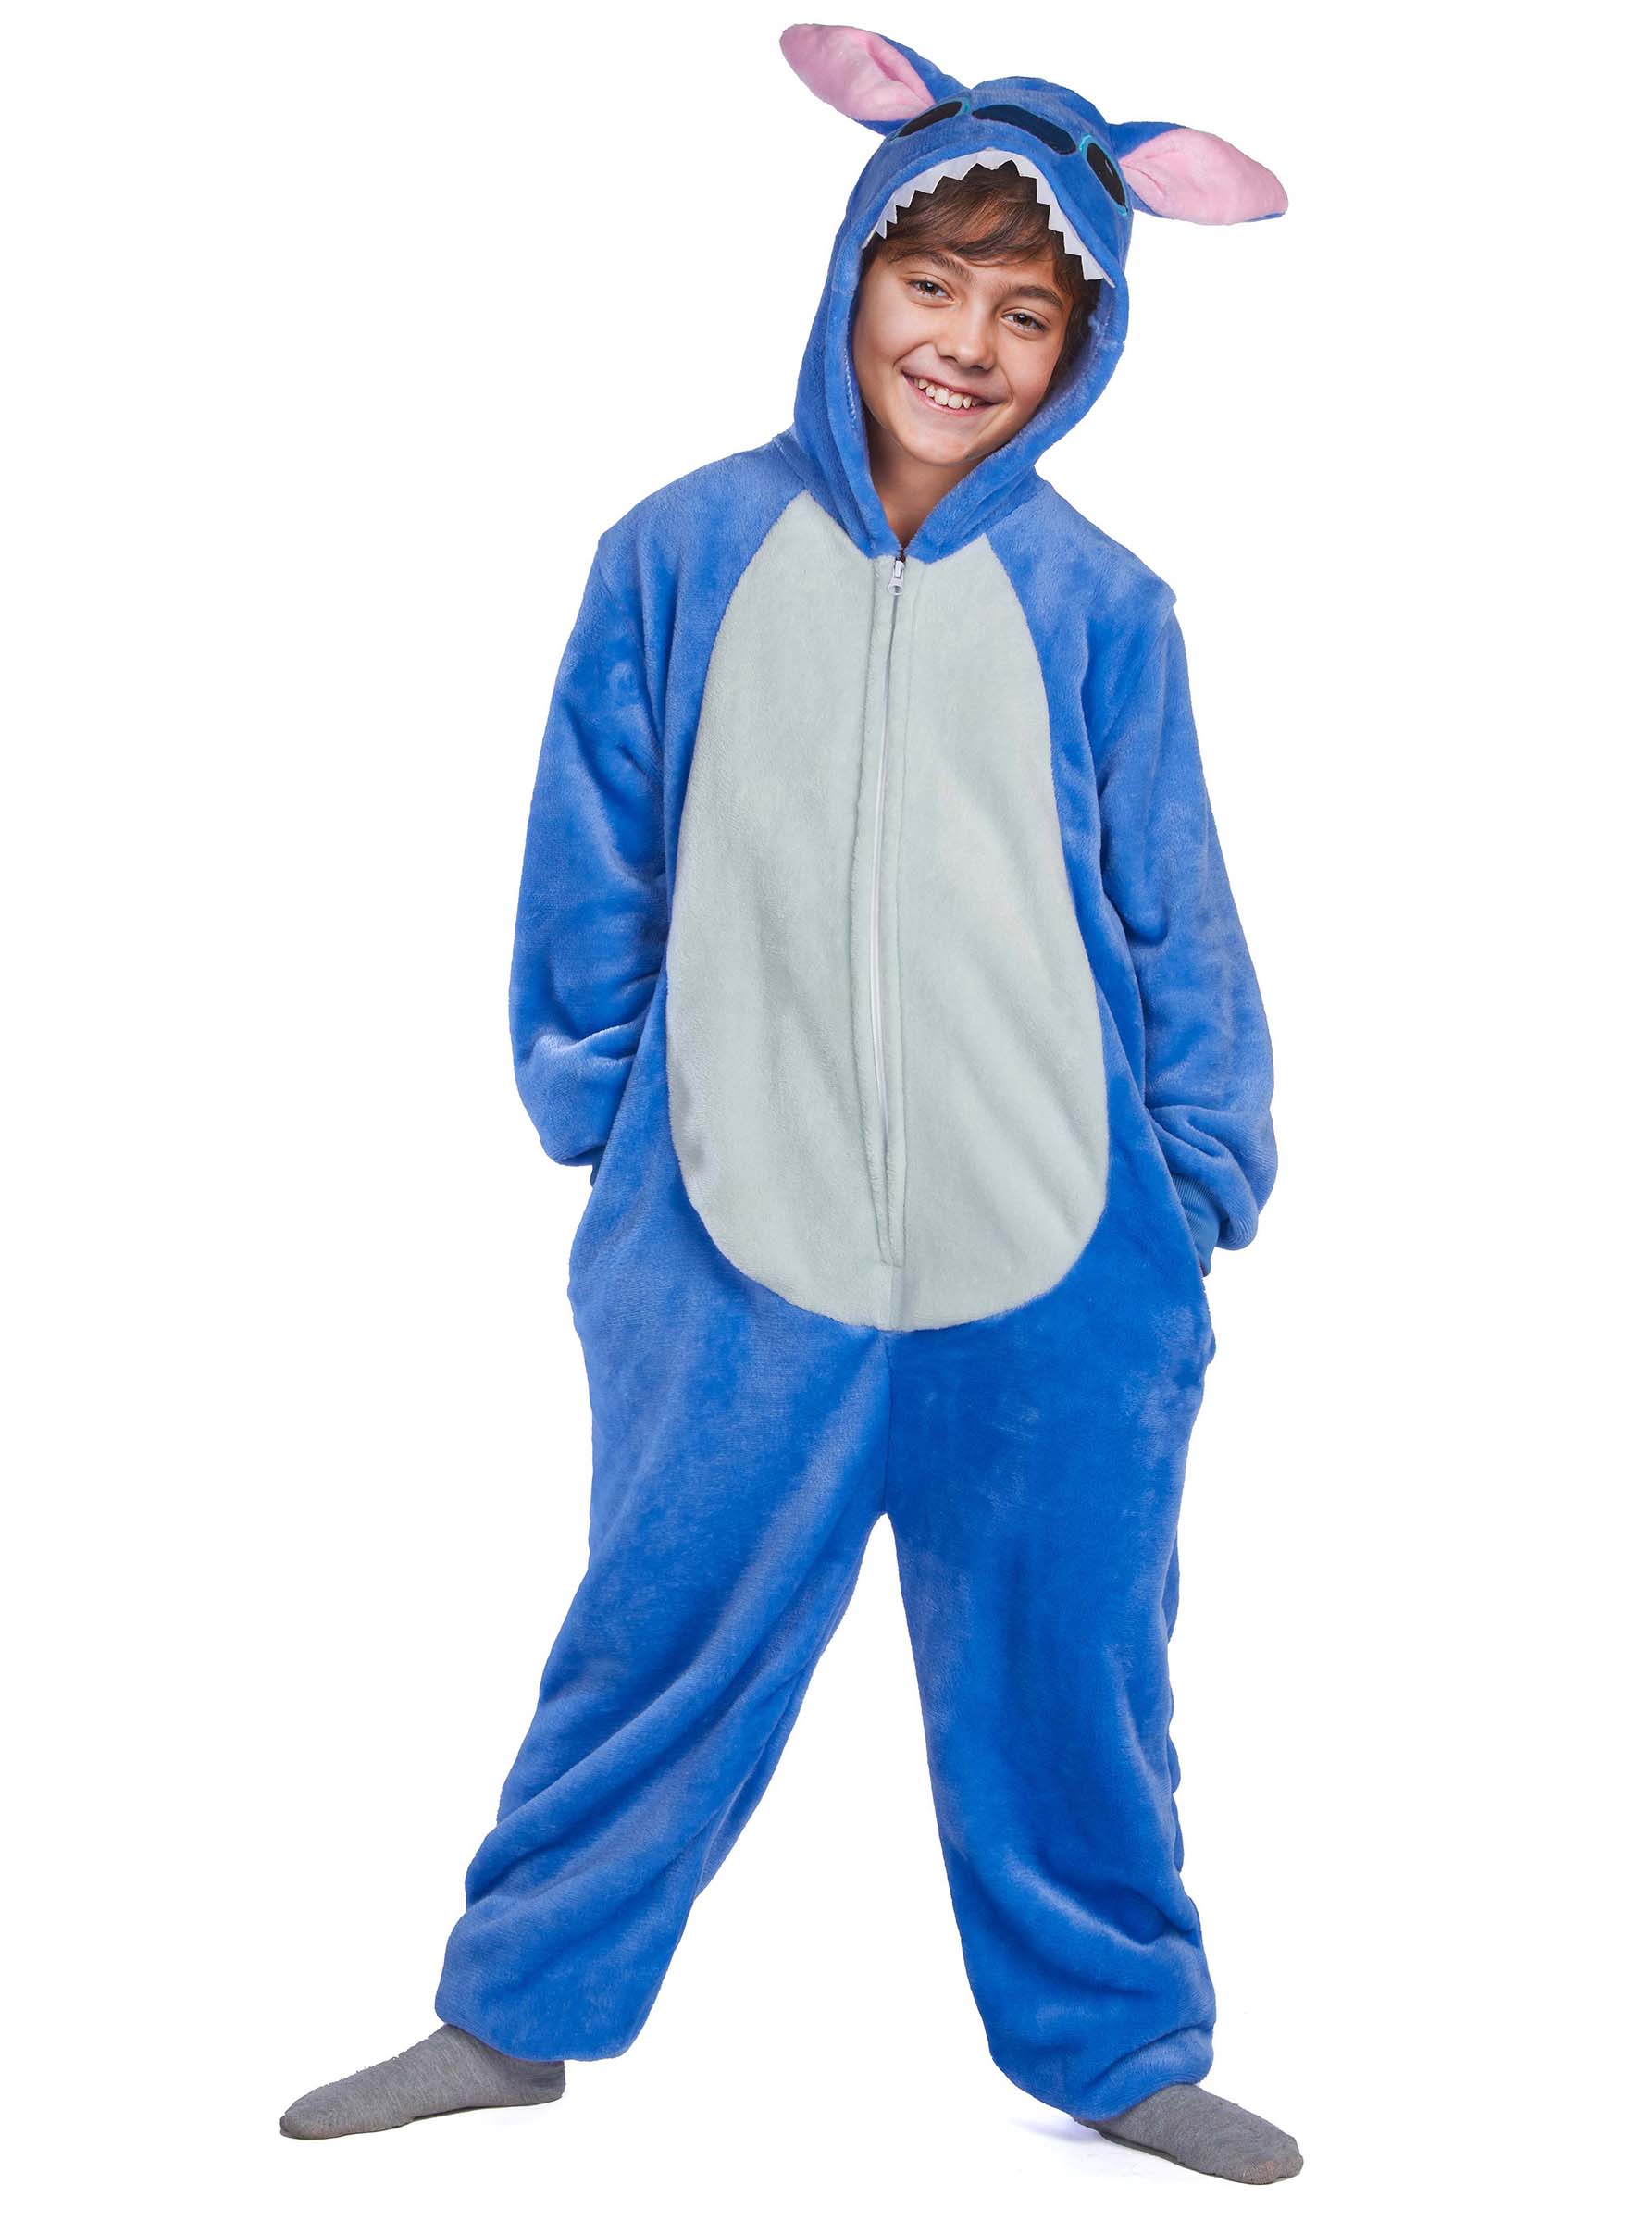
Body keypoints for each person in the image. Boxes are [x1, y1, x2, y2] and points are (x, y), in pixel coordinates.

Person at [280, 23, 1300, 2186]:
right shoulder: (679, 550)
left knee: (1074, 1664)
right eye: (931, 286)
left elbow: (1175, 901)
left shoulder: (1103, 606)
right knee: (655, 1629)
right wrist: (604, 1111)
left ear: (1083, 352)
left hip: (1065, 1245)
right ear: (852, 276)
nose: (966, 344)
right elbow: (596, 851)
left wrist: (1201, 1168)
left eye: (1025, 316)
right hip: (730, 1232)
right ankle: (513, 2011)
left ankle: (1117, 2044)